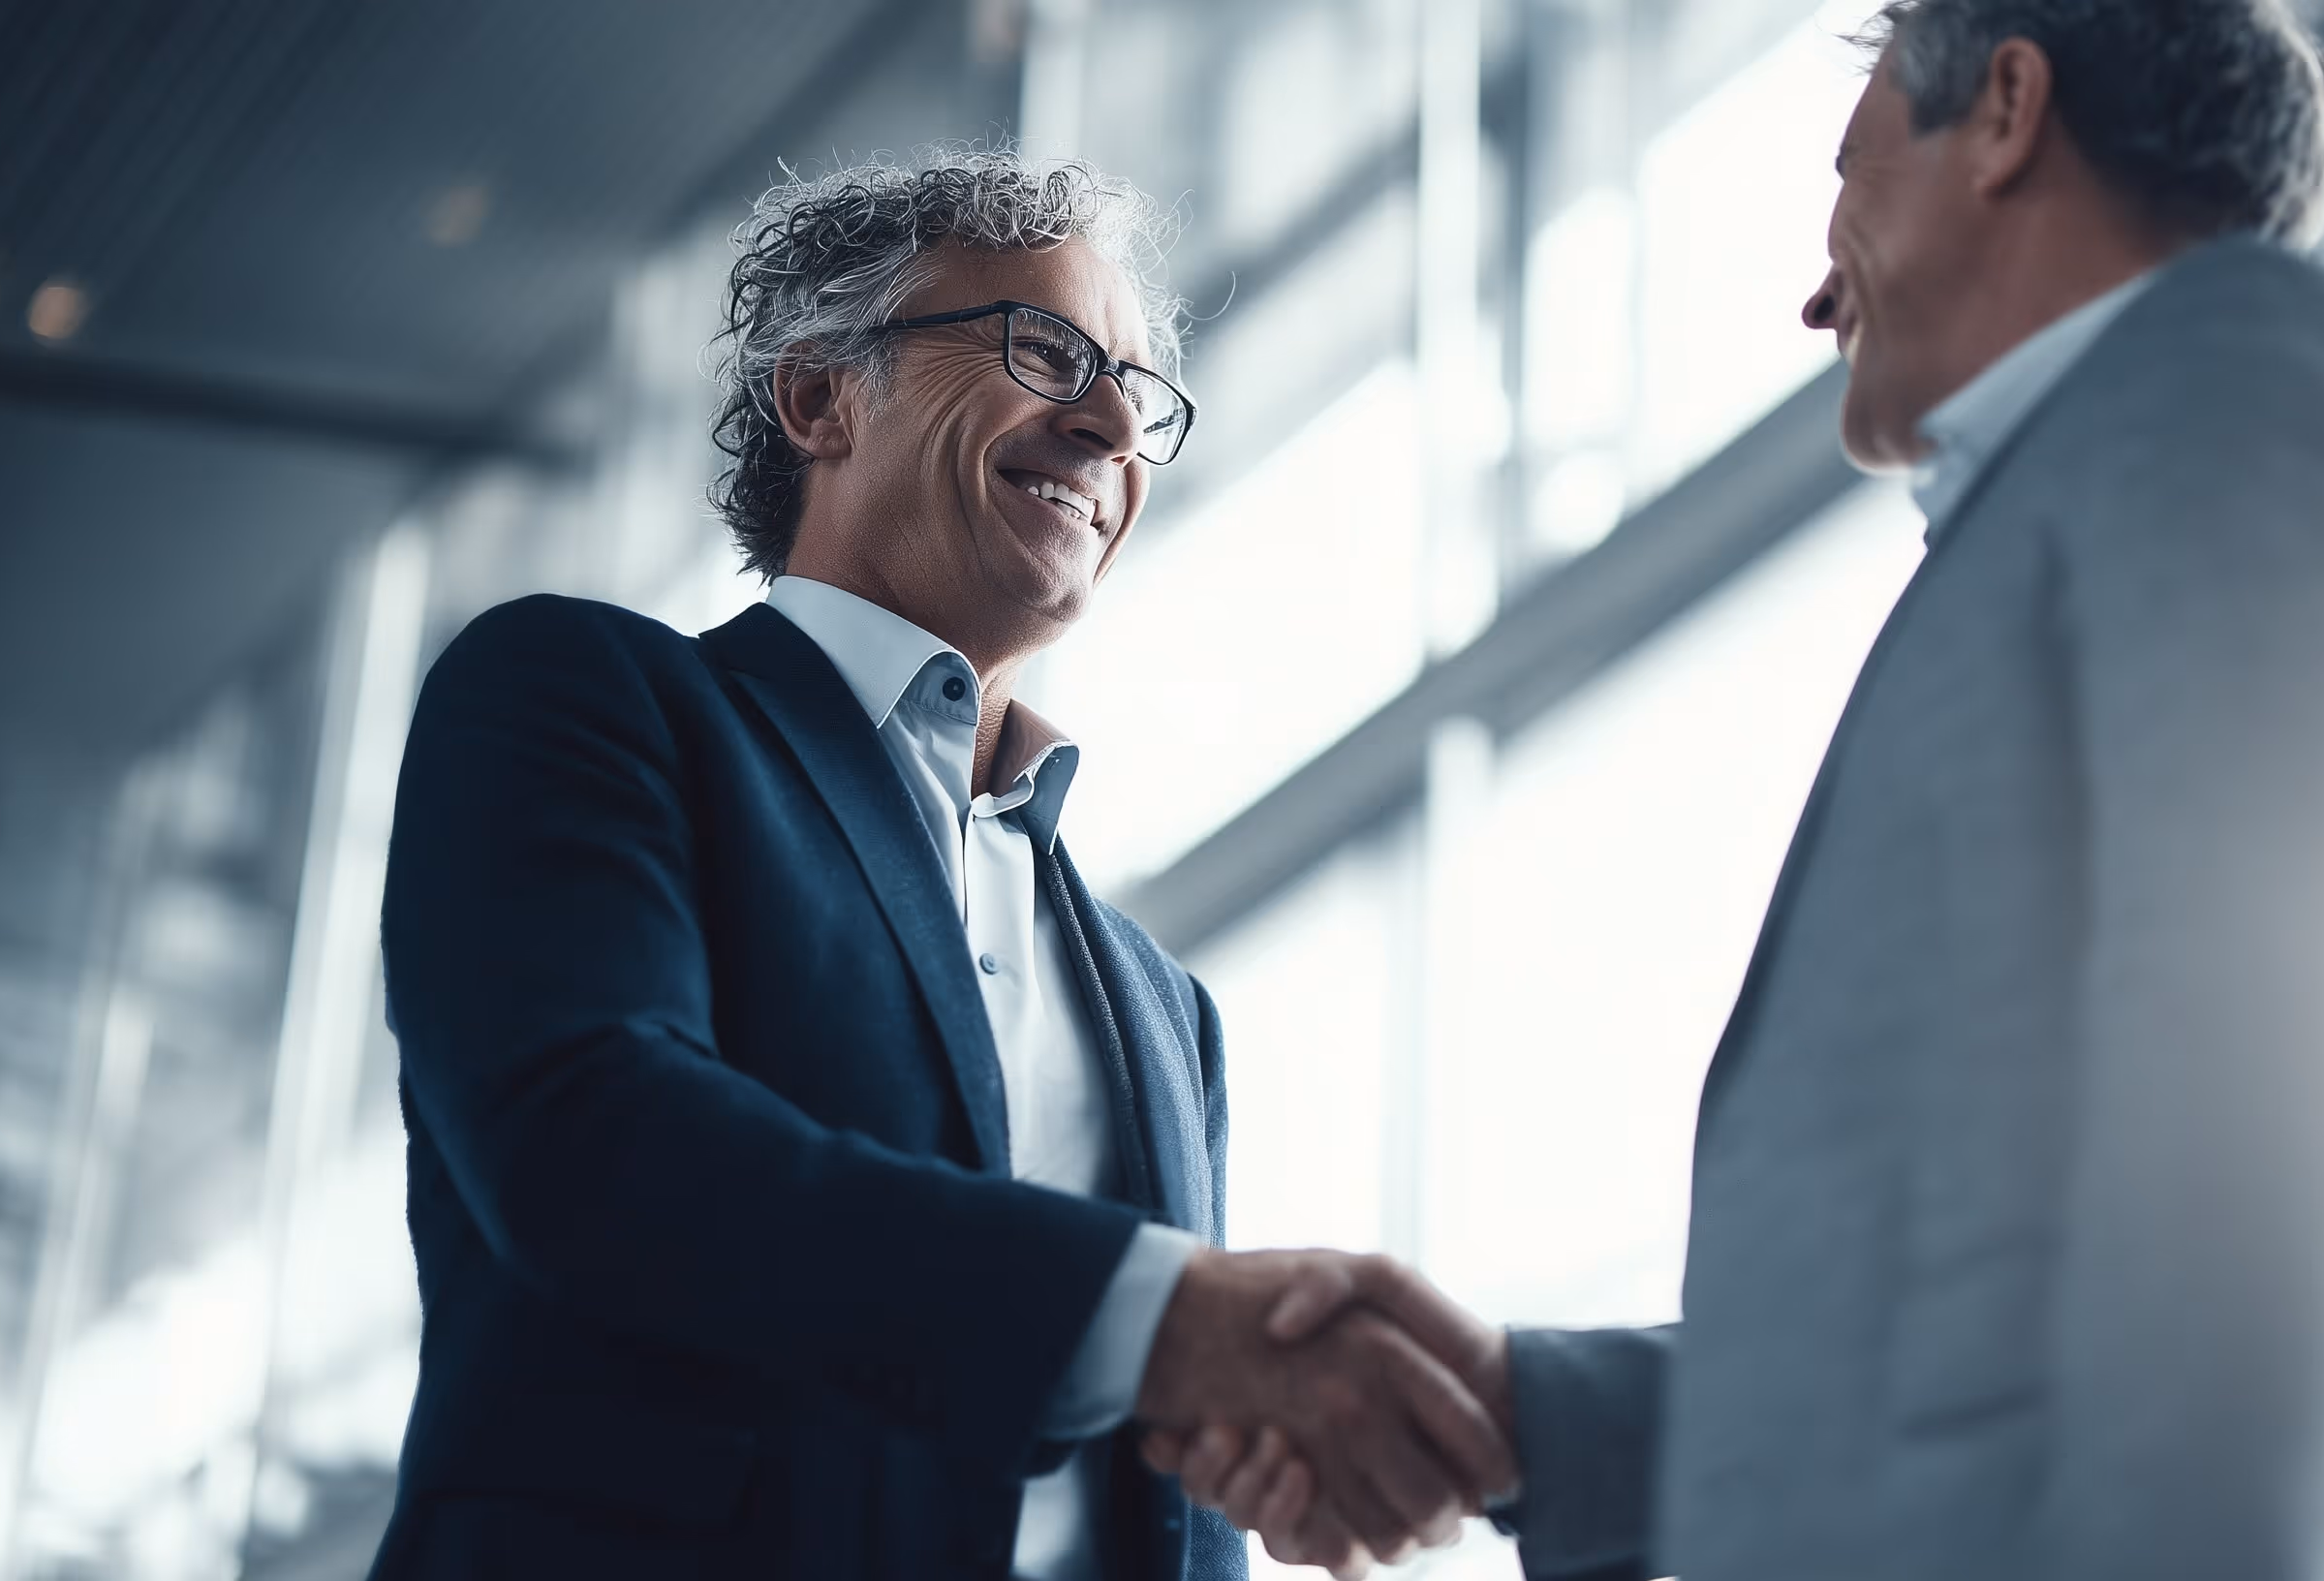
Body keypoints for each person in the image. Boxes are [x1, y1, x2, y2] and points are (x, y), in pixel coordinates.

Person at [1159, 0, 2324, 1576]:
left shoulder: (2238, 393)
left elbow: (2273, 1181)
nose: (1821, 288)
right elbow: (1991, 1336)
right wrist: (1524, 1412)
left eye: (1853, 176)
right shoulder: (2094, 490)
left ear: (2009, 111)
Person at [371, 150, 1511, 1581]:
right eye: (1045, 350)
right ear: (819, 397)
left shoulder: (1170, 1011)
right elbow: (593, 1146)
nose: (1110, 428)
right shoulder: (585, 698)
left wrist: (1253, 1409)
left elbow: (1166, 1472)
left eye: (1141, 396)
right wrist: (1170, 1324)